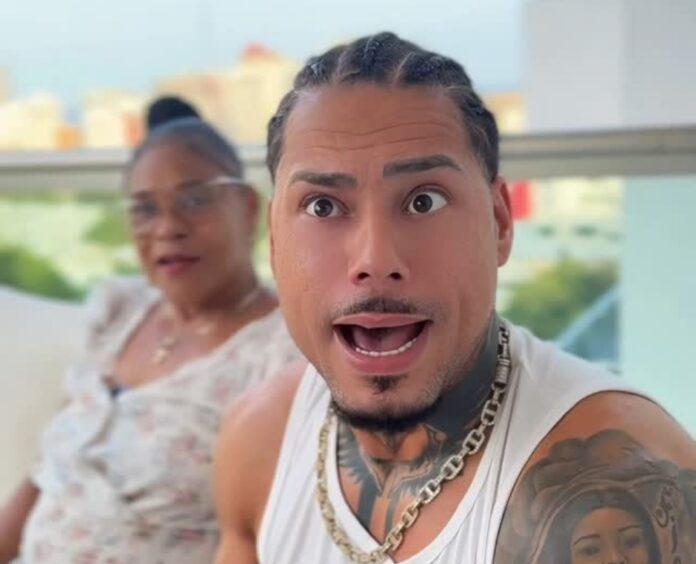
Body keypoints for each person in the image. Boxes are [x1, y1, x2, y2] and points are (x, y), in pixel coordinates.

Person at [213, 32, 696, 564]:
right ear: (274, 241)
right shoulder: (260, 440)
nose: (375, 258)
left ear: (500, 223)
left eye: (424, 201)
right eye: (322, 206)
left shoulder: (607, 491)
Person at [0, 96, 300, 563]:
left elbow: (269, 538)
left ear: (247, 208)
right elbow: (48, 474)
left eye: (194, 201)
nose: (167, 228)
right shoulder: (120, 315)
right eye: (145, 209)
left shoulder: (281, 354)